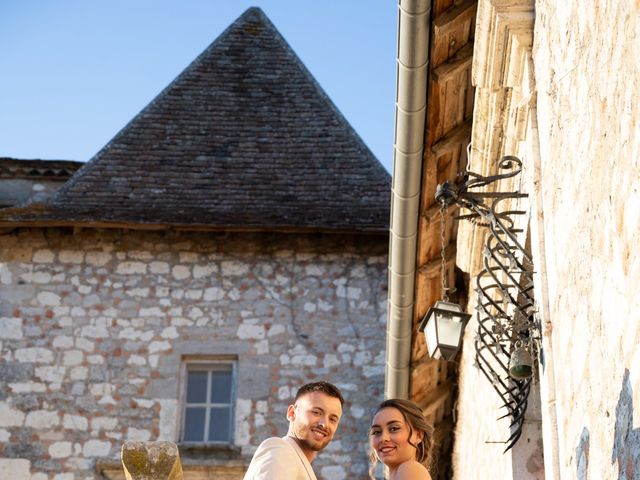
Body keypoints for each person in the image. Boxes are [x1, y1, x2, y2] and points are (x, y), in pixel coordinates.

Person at [243, 381, 344, 480]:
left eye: (332, 419)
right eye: (316, 412)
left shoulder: (298, 463)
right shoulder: (281, 451)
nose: (324, 424)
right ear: (292, 413)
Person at [368, 398, 433, 480]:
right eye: (377, 432)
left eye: (394, 429)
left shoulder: (409, 469)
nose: (383, 438)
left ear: (418, 435)